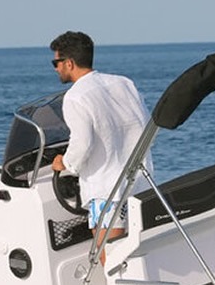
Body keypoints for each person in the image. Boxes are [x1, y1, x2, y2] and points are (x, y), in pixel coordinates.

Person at [47, 31, 151, 248]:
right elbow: (145, 124)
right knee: (140, 252)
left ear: (69, 63)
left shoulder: (75, 97)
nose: (55, 68)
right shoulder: (124, 83)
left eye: (56, 62)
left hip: (106, 191)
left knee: (109, 256)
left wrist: (64, 163)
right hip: (141, 184)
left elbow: (82, 144)